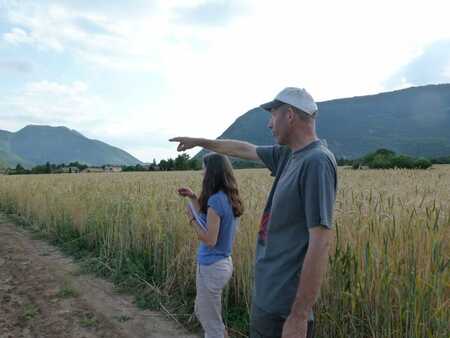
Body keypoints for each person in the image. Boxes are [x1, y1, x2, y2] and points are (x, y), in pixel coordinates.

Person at [171, 87, 337, 338]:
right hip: (268, 299)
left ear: (289, 115)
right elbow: (242, 149)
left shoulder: (316, 162)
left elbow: (320, 241)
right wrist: (201, 142)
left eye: (272, 116)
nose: (269, 125)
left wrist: (299, 315)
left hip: (284, 307)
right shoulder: (288, 155)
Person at [178, 152, 244, 338]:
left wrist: (191, 220)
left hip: (212, 267)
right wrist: (193, 197)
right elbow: (207, 219)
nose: (202, 172)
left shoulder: (216, 200)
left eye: (204, 168)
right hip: (222, 263)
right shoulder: (226, 197)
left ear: (212, 172)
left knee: (211, 324)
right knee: (205, 313)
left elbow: (209, 239)